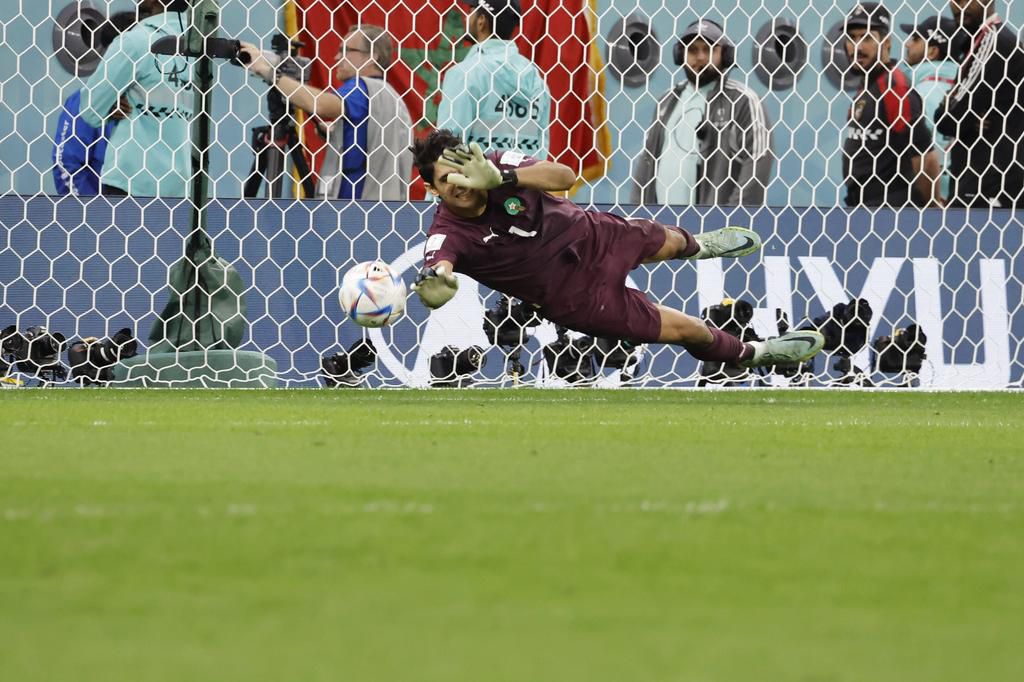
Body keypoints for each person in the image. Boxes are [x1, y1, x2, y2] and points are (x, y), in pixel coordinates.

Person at [408, 129, 825, 370]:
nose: (461, 183)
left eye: (462, 171)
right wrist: (440, 286)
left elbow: (564, 176)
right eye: (448, 181)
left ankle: (699, 246)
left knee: (670, 240)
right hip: (577, 298)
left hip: (592, 235)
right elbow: (439, 268)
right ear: (432, 189)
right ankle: (757, 353)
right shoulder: (447, 232)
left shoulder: (495, 163)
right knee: (687, 330)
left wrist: (502, 177)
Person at [239, 25, 413, 201]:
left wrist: (266, 71)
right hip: (386, 212)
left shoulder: (361, 88)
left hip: (353, 214)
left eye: (346, 50)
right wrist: (338, 135)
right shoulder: (392, 97)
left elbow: (319, 105)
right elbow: (375, 147)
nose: (337, 57)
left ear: (371, 57)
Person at [633, 19, 773, 206]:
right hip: (663, 226)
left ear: (725, 55)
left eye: (708, 49)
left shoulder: (743, 101)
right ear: (680, 54)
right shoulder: (667, 100)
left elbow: (757, 164)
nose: (700, 57)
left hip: (712, 226)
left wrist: (730, 221)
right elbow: (646, 162)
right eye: (692, 50)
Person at [78, 0, 194, 197]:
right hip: (180, 189)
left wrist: (109, 102)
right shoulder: (198, 50)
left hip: (128, 184)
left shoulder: (134, 42)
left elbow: (90, 110)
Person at [842, 3, 943, 208]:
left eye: (866, 37)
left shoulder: (893, 88)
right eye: (852, 38)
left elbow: (926, 158)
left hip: (889, 213)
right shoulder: (870, 84)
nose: (857, 47)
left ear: (886, 43)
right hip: (864, 207)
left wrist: (932, 210)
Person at [935, 0, 1024, 207]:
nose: (958, 6)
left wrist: (954, 109)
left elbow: (950, 120)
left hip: (990, 182)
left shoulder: (993, 41)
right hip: (983, 179)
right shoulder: (979, 42)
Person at [436, 0, 551, 160]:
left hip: (478, 183)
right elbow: (542, 147)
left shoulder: (465, 74)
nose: (466, 18)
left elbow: (448, 148)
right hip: (527, 182)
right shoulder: (535, 78)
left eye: (471, 11)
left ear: (481, 21)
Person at [51, 11, 141, 196]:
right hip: (100, 216)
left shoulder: (166, 100)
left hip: (159, 210)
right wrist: (90, 214)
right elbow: (66, 164)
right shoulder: (84, 102)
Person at [901, 15, 960, 201]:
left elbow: (922, 159)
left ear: (932, 51)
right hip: (968, 201)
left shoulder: (914, 95)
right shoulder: (969, 92)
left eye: (916, 39)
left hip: (926, 205)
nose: (908, 44)